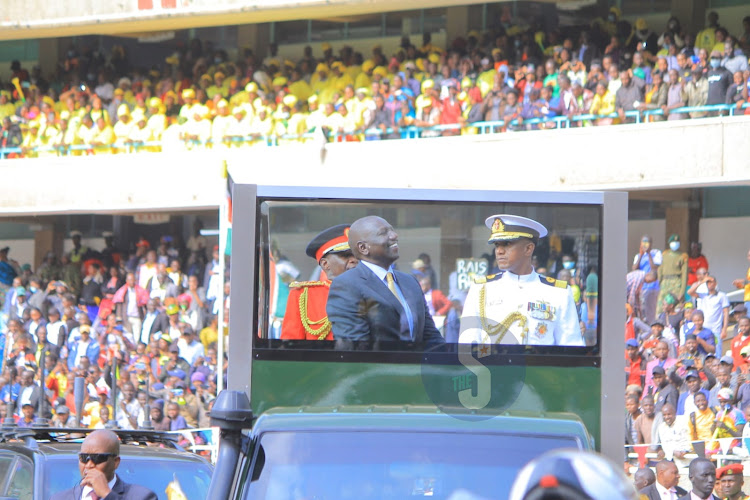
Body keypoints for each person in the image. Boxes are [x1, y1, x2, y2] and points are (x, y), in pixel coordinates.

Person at [460, 214, 582, 346]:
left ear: (528, 248)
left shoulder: (559, 293)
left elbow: (570, 348)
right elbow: (467, 345)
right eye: (497, 244)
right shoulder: (481, 289)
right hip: (492, 366)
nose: (499, 251)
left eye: (507, 244)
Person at [326, 216, 444, 345]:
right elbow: (355, 349)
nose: (394, 235)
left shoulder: (410, 282)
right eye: (383, 233)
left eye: (392, 230)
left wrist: (447, 362)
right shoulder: (347, 285)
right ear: (363, 248)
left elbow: (430, 335)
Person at [281, 224, 358, 340]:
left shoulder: (376, 290)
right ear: (325, 264)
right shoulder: (303, 296)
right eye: (346, 256)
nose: (354, 260)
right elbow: (291, 347)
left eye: (358, 255)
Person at [50, 429, 158, 500]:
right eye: (84, 458)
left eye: (98, 458)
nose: (89, 465)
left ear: (116, 462)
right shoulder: (60, 498)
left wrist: (107, 494)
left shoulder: (142, 496)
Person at [633, 235, 662, 324]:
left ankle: (651, 326)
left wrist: (649, 254)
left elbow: (654, 267)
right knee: (641, 309)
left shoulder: (656, 253)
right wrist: (641, 255)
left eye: (647, 242)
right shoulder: (638, 255)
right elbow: (634, 269)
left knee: (651, 310)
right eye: (643, 242)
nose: (645, 245)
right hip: (641, 286)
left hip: (652, 287)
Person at [657, 234, 687, 315]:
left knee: (676, 305)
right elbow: (660, 269)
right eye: (673, 242)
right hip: (665, 281)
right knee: (661, 306)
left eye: (677, 242)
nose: (675, 244)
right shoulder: (664, 255)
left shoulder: (682, 256)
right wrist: (659, 282)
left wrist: (682, 291)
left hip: (676, 281)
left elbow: (684, 275)